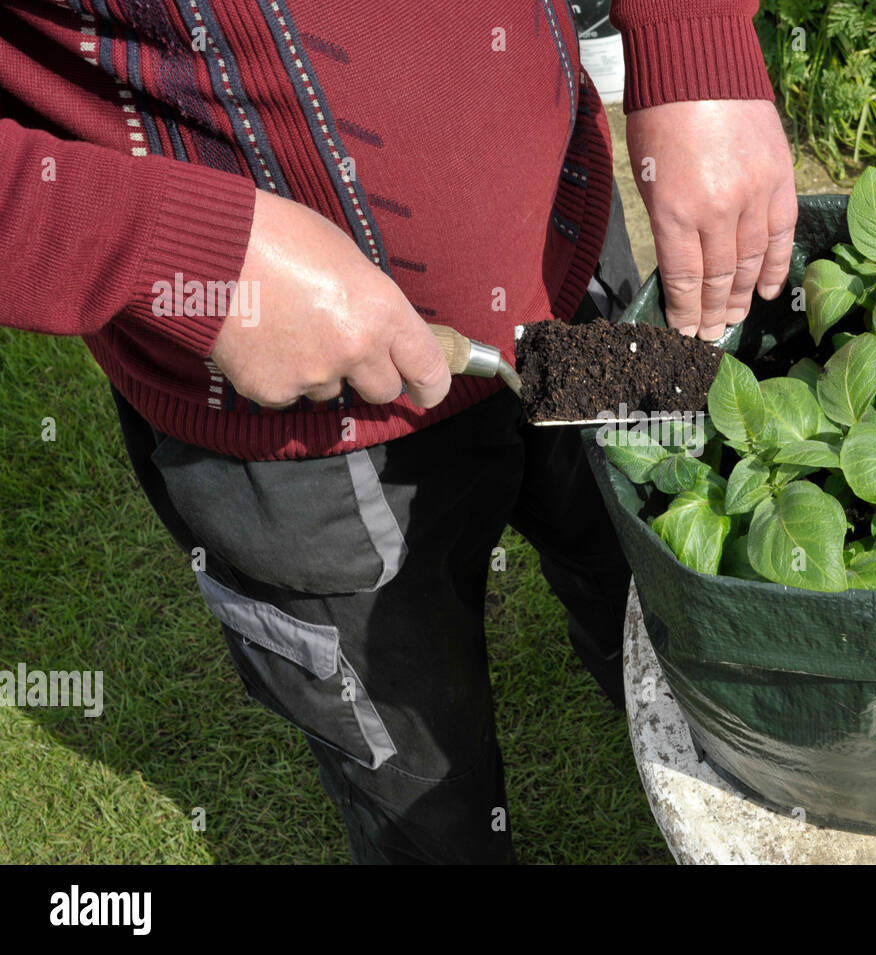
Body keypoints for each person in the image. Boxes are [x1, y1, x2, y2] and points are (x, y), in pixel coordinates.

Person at [0, 0, 796, 863]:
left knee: (651, 581)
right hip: (299, 427)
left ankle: (681, 743)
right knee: (417, 776)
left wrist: (693, 39)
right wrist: (167, 251)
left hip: (564, 254)